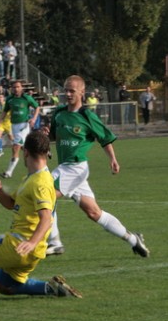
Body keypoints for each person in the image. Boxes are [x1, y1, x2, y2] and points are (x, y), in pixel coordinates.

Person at [0, 130, 82, 303]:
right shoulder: (32, 178)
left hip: (19, 245)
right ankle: (50, 288)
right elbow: (11, 203)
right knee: (4, 285)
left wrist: (31, 242)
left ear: (26, 152)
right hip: (31, 252)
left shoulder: (41, 183)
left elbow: (46, 218)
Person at [43, 75, 149, 258]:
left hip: (75, 168)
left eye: (71, 91)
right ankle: (133, 240)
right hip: (66, 168)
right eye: (65, 90)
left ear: (82, 93)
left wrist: (113, 159)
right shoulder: (59, 113)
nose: (67, 94)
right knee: (94, 212)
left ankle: (55, 242)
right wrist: (46, 141)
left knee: (45, 194)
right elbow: (53, 136)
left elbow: (105, 138)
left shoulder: (87, 116)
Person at [0, 81, 39, 178]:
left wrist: (33, 119)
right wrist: (0, 120)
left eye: (18, 87)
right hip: (14, 126)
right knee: (25, 149)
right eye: (14, 87)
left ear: (21, 88)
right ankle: (41, 155)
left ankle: (9, 172)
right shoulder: (9, 99)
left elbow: (37, 107)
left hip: (23, 126)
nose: (16, 89)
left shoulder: (26, 98)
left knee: (15, 147)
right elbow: (5, 111)